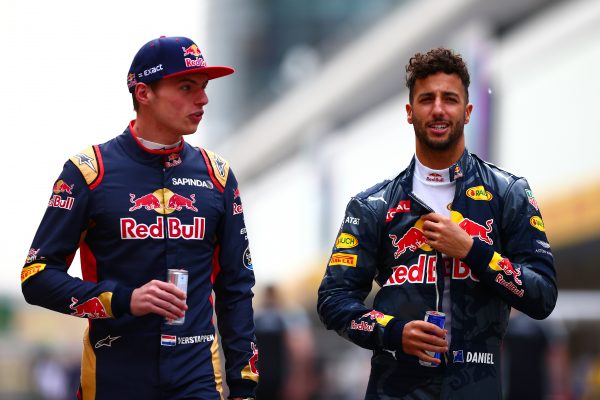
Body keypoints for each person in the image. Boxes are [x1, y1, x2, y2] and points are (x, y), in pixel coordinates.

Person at [21, 36, 259, 400]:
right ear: (144, 93)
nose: (203, 99)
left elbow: (236, 286)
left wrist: (245, 385)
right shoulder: (88, 172)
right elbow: (36, 278)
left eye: (204, 87)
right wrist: (123, 299)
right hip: (116, 373)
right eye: (186, 87)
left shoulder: (218, 176)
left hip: (196, 375)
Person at [317, 48, 557, 399]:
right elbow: (333, 300)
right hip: (395, 388)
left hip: (477, 388)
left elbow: (543, 297)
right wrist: (393, 332)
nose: (439, 109)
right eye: (427, 99)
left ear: (468, 111)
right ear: (410, 113)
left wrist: (473, 251)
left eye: (450, 99)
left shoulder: (508, 193)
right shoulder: (372, 205)